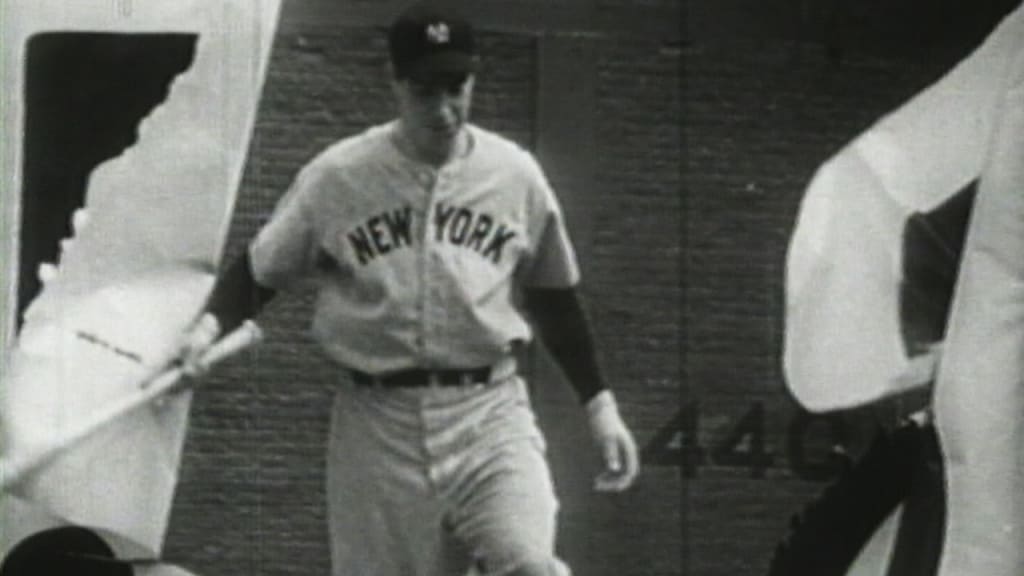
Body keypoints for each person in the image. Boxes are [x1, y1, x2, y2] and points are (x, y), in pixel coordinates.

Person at [178, 2, 640, 575]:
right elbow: (256, 273)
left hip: (488, 410)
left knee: (530, 565)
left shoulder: (514, 175)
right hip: (377, 422)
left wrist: (601, 408)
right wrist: (204, 331)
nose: (445, 109)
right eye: (426, 90)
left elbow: (555, 299)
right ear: (395, 84)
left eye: (457, 85)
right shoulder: (339, 176)